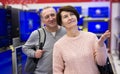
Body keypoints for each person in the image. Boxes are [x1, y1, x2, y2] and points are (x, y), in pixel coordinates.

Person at [53, 5, 110, 74]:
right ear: (61, 23)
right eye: (65, 16)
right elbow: (57, 71)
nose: (70, 18)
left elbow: (102, 62)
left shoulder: (91, 37)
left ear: (76, 17)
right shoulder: (59, 45)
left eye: (72, 14)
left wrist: (100, 45)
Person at [22, 6, 66, 74]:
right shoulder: (37, 34)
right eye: (47, 17)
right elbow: (25, 48)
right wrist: (34, 54)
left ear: (57, 16)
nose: (51, 18)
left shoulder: (66, 32)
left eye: (52, 15)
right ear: (43, 20)